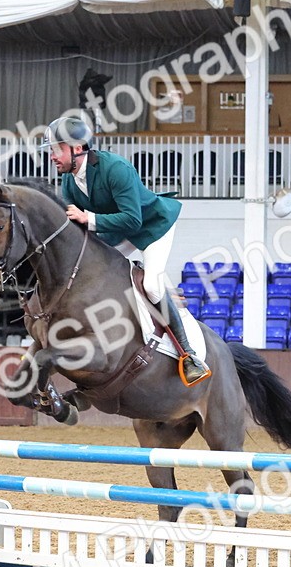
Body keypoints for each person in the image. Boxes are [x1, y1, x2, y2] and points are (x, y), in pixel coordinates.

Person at [41, 116, 210, 386]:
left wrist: (89, 218)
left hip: (152, 227)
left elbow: (133, 219)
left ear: (76, 148)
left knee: (152, 286)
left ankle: (188, 354)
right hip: (116, 232)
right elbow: (78, 230)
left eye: (56, 149)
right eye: (50, 150)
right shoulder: (70, 182)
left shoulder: (116, 168)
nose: (51, 156)